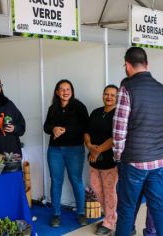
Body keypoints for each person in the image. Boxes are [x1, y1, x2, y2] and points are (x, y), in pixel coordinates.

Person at [113, 47, 163, 236]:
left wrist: (118, 158)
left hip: (134, 162)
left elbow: (119, 129)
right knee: (158, 208)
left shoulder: (127, 89)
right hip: (160, 161)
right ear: (147, 64)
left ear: (127, 65)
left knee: (127, 210)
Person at [43, 79, 89, 227]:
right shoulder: (53, 108)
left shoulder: (79, 106)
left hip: (75, 150)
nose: (65, 92)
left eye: (68, 89)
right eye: (62, 89)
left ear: (72, 91)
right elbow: (46, 126)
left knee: (76, 180)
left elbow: (86, 127)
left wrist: (65, 130)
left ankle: (81, 213)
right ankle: (56, 214)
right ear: (57, 92)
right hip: (55, 150)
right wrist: (53, 129)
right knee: (56, 182)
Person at [131, 119, 163, 236]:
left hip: (157, 170)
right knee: (131, 202)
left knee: (155, 205)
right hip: (134, 168)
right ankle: (128, 228)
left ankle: (151, 232)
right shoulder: (133, 114)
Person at [84, 85, 119, 235]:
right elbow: (86, 131)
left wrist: (97, 150)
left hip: (109, 161)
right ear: (103, 95)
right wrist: (90, 146)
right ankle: (110, 216)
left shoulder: (118, 114)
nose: (109, 97)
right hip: (94, 160)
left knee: (109, 192)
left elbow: (115, 137)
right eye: (106, 94)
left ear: (117, 97)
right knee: (97, 189)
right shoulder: (96, 112)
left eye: (112, 95)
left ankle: (109, 222)